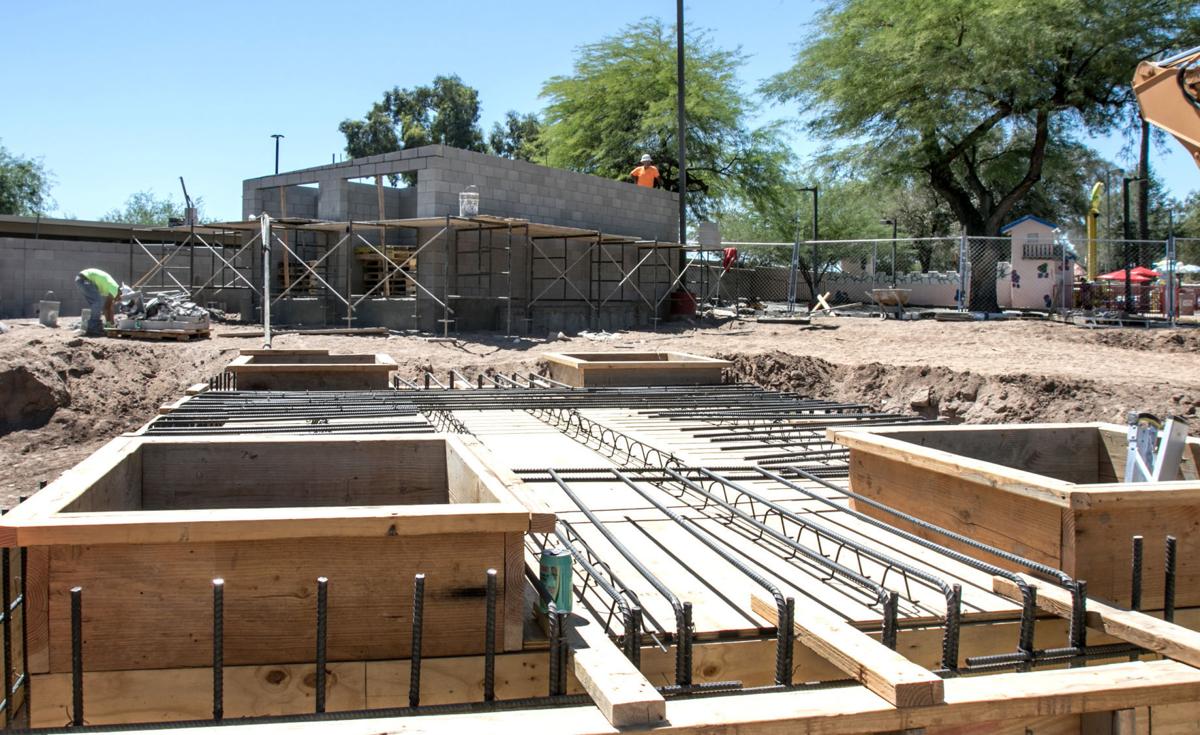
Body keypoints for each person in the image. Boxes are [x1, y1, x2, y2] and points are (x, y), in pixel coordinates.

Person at [74, 268, 118, 336]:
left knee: (96, 303)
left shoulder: (113, 289)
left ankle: (92, 327)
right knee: (97, 302)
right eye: (120, 299)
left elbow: (109, 308)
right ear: (121, 294)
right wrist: (110, 324)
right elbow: (106, 308)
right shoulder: (115, 289)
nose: (118, 301)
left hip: (82, 279)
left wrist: (111, 324)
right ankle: (93, 329)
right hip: (85, 279)